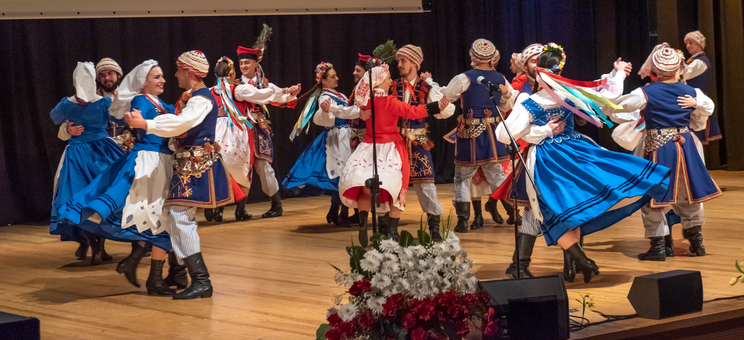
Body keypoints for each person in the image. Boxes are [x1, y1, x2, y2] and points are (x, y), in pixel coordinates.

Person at [495, 43, 671, 283]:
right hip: (561, 157)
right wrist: (619, 73)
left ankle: (567, 263)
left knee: (556, 211)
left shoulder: (540, 95)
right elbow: (606, 94)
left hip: (548, 161)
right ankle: (535, 263)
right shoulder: (558, 92)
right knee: (544, 211)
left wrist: (540, 132)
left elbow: (506, 133)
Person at [58, 60, 181, 295]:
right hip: (148, 162)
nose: (162, 80)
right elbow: (153, 126)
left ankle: (139, 265)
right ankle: (156, 276)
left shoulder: (161, 104)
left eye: (162, 76)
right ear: (143, 81)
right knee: (157, 219)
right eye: (156, 77)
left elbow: (174, 119)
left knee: (159, 219)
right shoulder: (140, 101)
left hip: (162, 161)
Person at [125, 50, 232, 299]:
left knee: (181, 218)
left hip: (195, 166)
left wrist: (146, 125)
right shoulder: (192, 97)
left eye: (178, 69)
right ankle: (184, 273)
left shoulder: (201, 99)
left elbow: (182, 123)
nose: (174, 74)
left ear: (190, 72)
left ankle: (201, 280)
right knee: (176, 218)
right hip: (187, 165)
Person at [607, 47, 720, 261]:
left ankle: (658, 247)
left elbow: (614, 107)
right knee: (687, 195)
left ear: (655, 71)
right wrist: (696, 105)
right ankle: (697, 243)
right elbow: (708, 107)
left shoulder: (645, 93)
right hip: (685, 147)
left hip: (660, 149)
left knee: (654, 196)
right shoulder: (692, 92)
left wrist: (615, 79)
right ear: (678, 69)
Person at [339, 64, 448, 246]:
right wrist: (437, 107)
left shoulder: (366, 102)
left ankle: (364, 218)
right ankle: (392, 231)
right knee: (399, 187)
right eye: (388, 78)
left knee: (365, 186)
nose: (391, 80)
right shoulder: (390, 102)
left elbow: (350, 110)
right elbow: (414, 112)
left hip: (368, 146)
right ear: (380, 81)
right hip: (390, 147)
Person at [219, 24, 301, 221]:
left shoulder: (264, 84)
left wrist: (290, 94)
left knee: (263, 168)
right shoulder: (235, 85)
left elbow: (277, 97)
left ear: (256, 64)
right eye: (242, 64)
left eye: (247, 63)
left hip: (259, 130)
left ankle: (276, 204)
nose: (244, 67)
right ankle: (235, 208)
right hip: (238, 131)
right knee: (236, 166)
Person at [49, 62, 126, 264]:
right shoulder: (79, 103)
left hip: (95, 152)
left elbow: (55, 116)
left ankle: (97, 245)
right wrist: (67, 130)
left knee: (94, 197)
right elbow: (56, 120)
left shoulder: (101, 102)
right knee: (89, 197)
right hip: (85, 154)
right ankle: (93, 245)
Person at [438, 39, 517, 233]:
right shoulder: (501, 78)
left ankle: (463, 221)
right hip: (493, 133)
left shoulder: (465, 78)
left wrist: (439, 106)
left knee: (462, 178)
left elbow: (447, 97)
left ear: (472, 55)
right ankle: (514, 214)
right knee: (497, 176)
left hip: (470, 134)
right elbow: (508, 103)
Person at [388, 44, 455, 241]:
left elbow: (448, 110)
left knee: (426, 185)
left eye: (404, 61)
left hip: (418, 139)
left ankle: (434, 228)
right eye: (398, 61)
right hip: (395, 140)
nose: (399, 65)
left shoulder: (426, 88)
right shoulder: (392, 86)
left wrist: (440, 107)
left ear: (415, 63)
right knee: (392, 184)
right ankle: (390, 229)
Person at [284, 62, 360, 223]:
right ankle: (342, 213)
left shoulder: (340, 95)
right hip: (336, 139)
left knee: (343, 176)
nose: (337, 78)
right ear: (323, 81)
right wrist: (326, 111)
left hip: (346, 135)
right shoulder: (325, 97)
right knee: (341, 175)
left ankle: (334, 211)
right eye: (333, 76)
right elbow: (324, 119)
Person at [206, 57, 251, 222]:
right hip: (236, 132)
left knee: (221, 170)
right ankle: (239, 210)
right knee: (242, 169)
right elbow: (259, 97)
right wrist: (283, 95)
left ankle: (218, 208)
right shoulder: (238, 90)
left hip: (216, 132)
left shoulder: (210, 92)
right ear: (231, 73)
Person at [683, 31, 721, 145]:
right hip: (691, 100)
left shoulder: (700, 62)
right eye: (686, 44)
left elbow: (683, 74)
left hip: (697, 101)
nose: (688, 46)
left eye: (691, 43)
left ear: (699, 44)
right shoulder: (693, 61)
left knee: (696, 137)